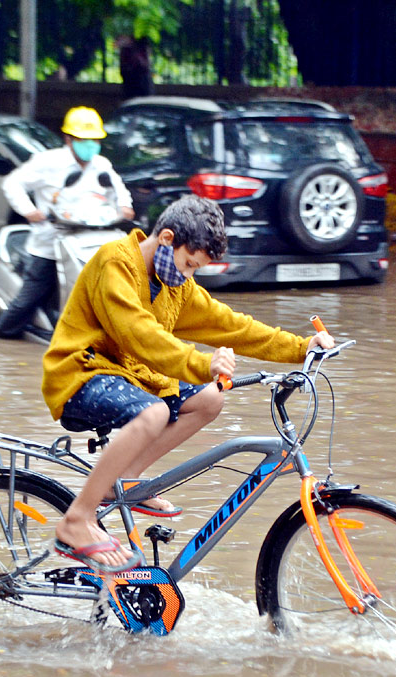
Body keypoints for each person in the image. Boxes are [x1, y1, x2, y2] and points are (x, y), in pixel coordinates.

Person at [40, 194, 335, 572]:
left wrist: (300, 346)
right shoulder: (114, 262)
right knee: (154, 412)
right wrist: (201, 362)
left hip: (131, 375)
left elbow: (231, 324)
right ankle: (77, 519)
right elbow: (138, 334)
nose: (189, 276)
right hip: (81, 372)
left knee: (211, 399)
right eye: (189, 264)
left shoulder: (174, 283)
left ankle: (127, 481)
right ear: (166, 238)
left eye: (197, 269)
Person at [0, 106, 135, 341]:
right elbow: (12, 184)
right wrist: (30, 211)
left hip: (92, 240)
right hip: (50, 243)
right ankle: (5, 331)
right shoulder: (48, 162)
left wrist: (125, 207)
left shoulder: (101, 165)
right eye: (83, 139)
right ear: (68, 139)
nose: (90, 145)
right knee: (30, 298)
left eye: (94, 140)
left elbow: (119, 190)